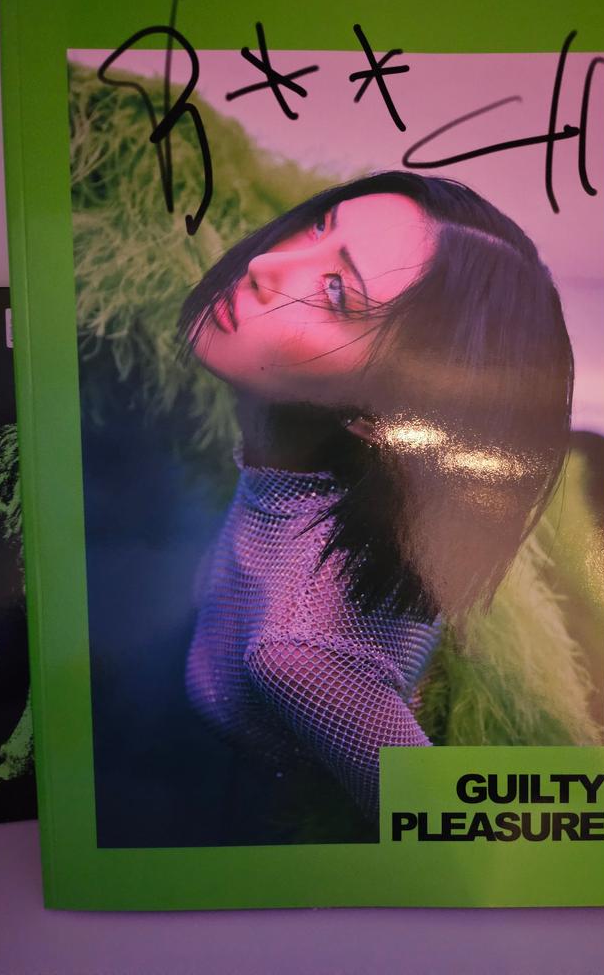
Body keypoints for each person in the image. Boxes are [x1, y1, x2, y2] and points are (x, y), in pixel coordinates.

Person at [178, 171, 575, 820]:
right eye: (318, 225)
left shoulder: (298, 651)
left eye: (336, 292)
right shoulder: (325, 480)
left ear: (382, 415)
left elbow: (444, 830)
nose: (264, 265)